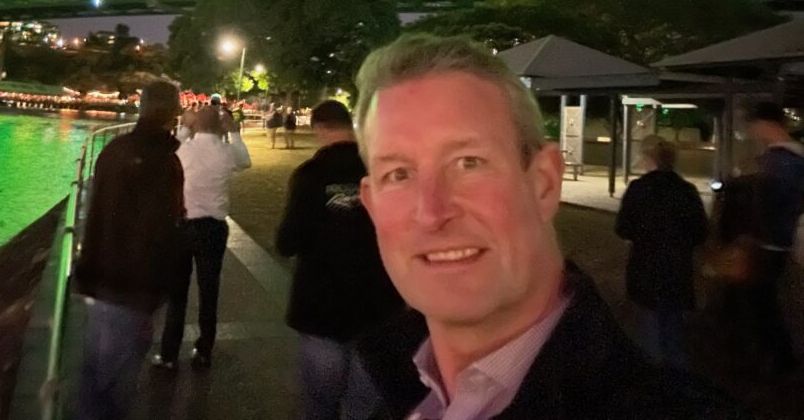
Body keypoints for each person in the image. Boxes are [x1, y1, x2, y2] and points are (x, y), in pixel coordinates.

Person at [353, 33, 746, 420]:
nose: (432, 212)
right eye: (399, 174)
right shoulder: (398, 390)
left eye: (468, 162)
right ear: (371, 206)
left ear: (543, 183)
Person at [276, 100, 403, 420]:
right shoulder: (384, 173)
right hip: (377, 306)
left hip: (322, 305)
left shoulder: (310, 176)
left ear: (319, 127)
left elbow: (287, 242)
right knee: (361, 409)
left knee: (320, 406)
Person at [72, 79, 185, 420]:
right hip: (135, 288)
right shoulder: (166, 164)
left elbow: (95, 212)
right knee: (116, 386)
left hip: (99, 277)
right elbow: (165, 229)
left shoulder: (113, 150)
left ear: (141, 107)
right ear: (174, 113)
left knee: (93, 374)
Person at [153, 105, 251, 370]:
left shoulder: (183, 149)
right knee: (209, 292)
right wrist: (235, 133)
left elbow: (164, 155)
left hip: (182, 225)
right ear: (221, 127)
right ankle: (204, 349)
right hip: (213, 228)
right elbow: (245, 161)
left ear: (196, 124)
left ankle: (169, 353)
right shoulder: (227, 151)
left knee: (177, 293)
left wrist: (184, 127)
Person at [615, 138, 709, 368]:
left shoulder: (639, 189)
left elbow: (622, 228)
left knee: (650, 332)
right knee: (674, 333)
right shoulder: (687, 190)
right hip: (678, 270)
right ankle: (679, 384)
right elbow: (701, 231)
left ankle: (657, 390)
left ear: (649, 159)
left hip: (646, 269)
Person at [731, 101, 804, 376]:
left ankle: (776, 361)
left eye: (752, 126)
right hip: (775, 244)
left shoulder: (782, 162)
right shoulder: (786, 158)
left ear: (765, 124)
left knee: (764, 306)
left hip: (772, 245)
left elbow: (774, 206)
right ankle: (776, 358)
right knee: (765, 305)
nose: (751, 133)